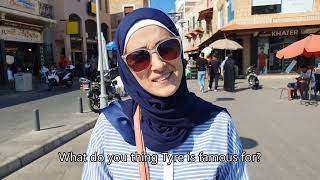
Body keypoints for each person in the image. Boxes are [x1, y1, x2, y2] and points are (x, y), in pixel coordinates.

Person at [82, 8, 249, 180]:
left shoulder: (219, 125)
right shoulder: (111, 127)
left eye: (167, 48)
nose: (159, 65)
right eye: (139, 58)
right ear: (126, 69)